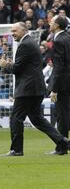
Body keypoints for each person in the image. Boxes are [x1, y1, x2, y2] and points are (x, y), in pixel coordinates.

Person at [0, 22, 69, 156]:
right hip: (35, 88)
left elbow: (16, 68)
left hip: (27, 89)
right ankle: (63, 141)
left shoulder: (25, 44)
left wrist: (5, 65)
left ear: (24, 30)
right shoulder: (30, 42)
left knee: (16, 117)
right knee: (37, 119)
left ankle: (17, 149)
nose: (12, 33)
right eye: (11, 31)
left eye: (15, 31)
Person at [48, 16, 70, 154]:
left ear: (56, 25)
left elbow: (58, 67)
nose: (49, 23)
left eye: (51, 21)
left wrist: (54, 89)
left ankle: (62, 147)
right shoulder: (67, 38)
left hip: (63, 84)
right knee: (66, 113)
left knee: (62, 114)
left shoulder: (58, 41)